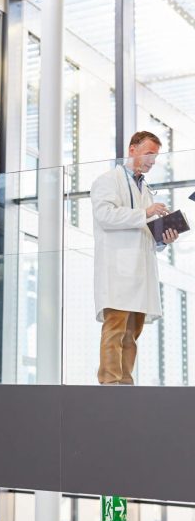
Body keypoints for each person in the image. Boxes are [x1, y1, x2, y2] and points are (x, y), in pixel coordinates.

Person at [91, 131, 179, 385]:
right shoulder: (108, 180)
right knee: (115, 327)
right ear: (132, 149)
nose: (152, 161)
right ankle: (109, 382)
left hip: (140, 270)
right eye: (149, 153)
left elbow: (146, 230)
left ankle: (126, 384)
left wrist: (164, 236)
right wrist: (145, 212)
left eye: (155, 156)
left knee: (133, 332)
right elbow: (105, 215)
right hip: (117, 268)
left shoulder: (145, 190)